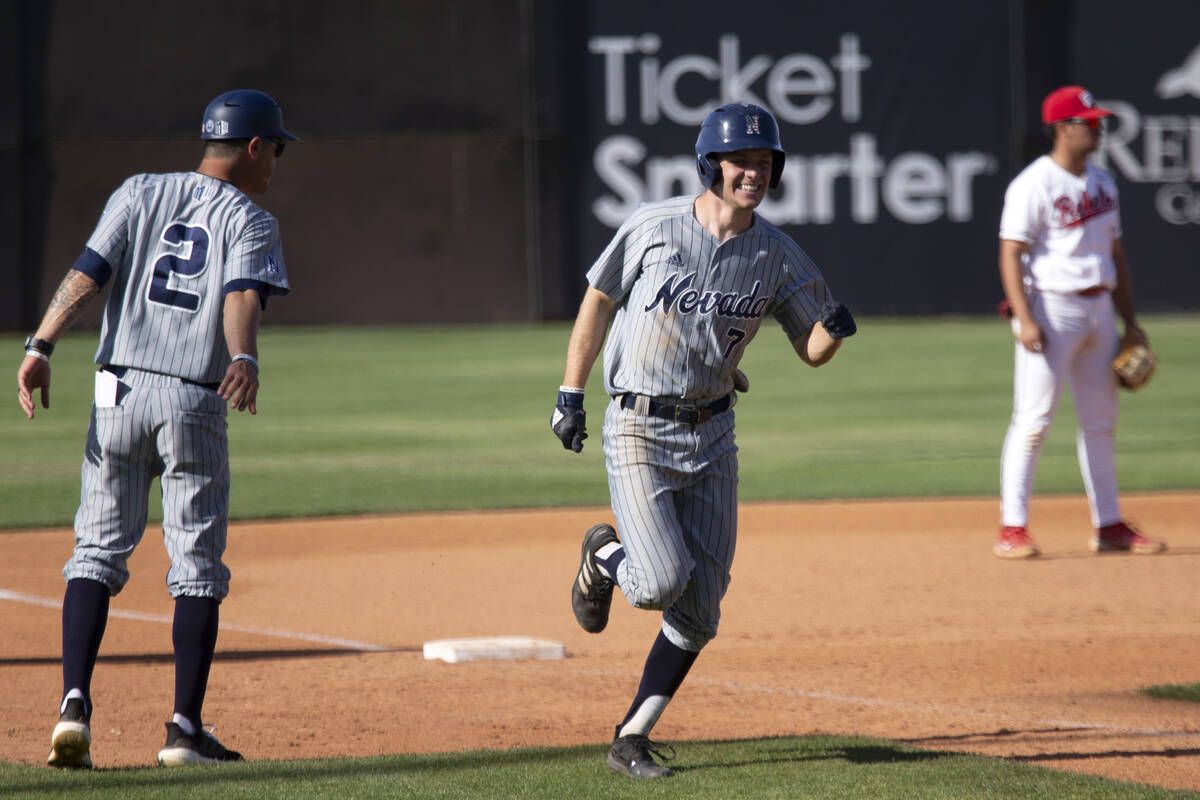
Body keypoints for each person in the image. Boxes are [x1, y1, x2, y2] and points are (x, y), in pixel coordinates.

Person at [551, 102, 857, 779]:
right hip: (639, 421)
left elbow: (810, 347)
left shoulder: (776, 254)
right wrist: (570, 392)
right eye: (741, 160)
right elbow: (598, 299)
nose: (754, 172)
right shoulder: (654, 227)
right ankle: (604, 557)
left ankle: (631, 735)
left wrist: (834, 329)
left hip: (715, 434)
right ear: (710, 164)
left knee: (699, 610)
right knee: (658, 580)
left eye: (764, 161)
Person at [16, 89, 297, 767]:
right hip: (190, 399)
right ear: (254, 147)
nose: (278, 162)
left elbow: (89, 273)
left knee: (95, 553)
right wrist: (243, 355)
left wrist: (41, 345)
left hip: (115, 390)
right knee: (195, 568)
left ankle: (74, 708)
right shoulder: (251, 220)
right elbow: (238, 297)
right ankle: (182, 731)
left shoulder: (138, 190)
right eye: (277, 148)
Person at [994, 85, 1164, 559]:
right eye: (1089, 122)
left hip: (1099, 309)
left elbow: (1116, 255)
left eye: (1098, 121)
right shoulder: (1034, 184)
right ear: (1063, 128)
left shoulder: (1104, 184)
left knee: (1101, 421)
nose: (1099, 128)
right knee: (1033, 421)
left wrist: (1131, 322)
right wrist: (1025, 318)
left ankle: (1109, 524)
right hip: (1052, 309)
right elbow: (1011, 252)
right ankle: (1013, 528)